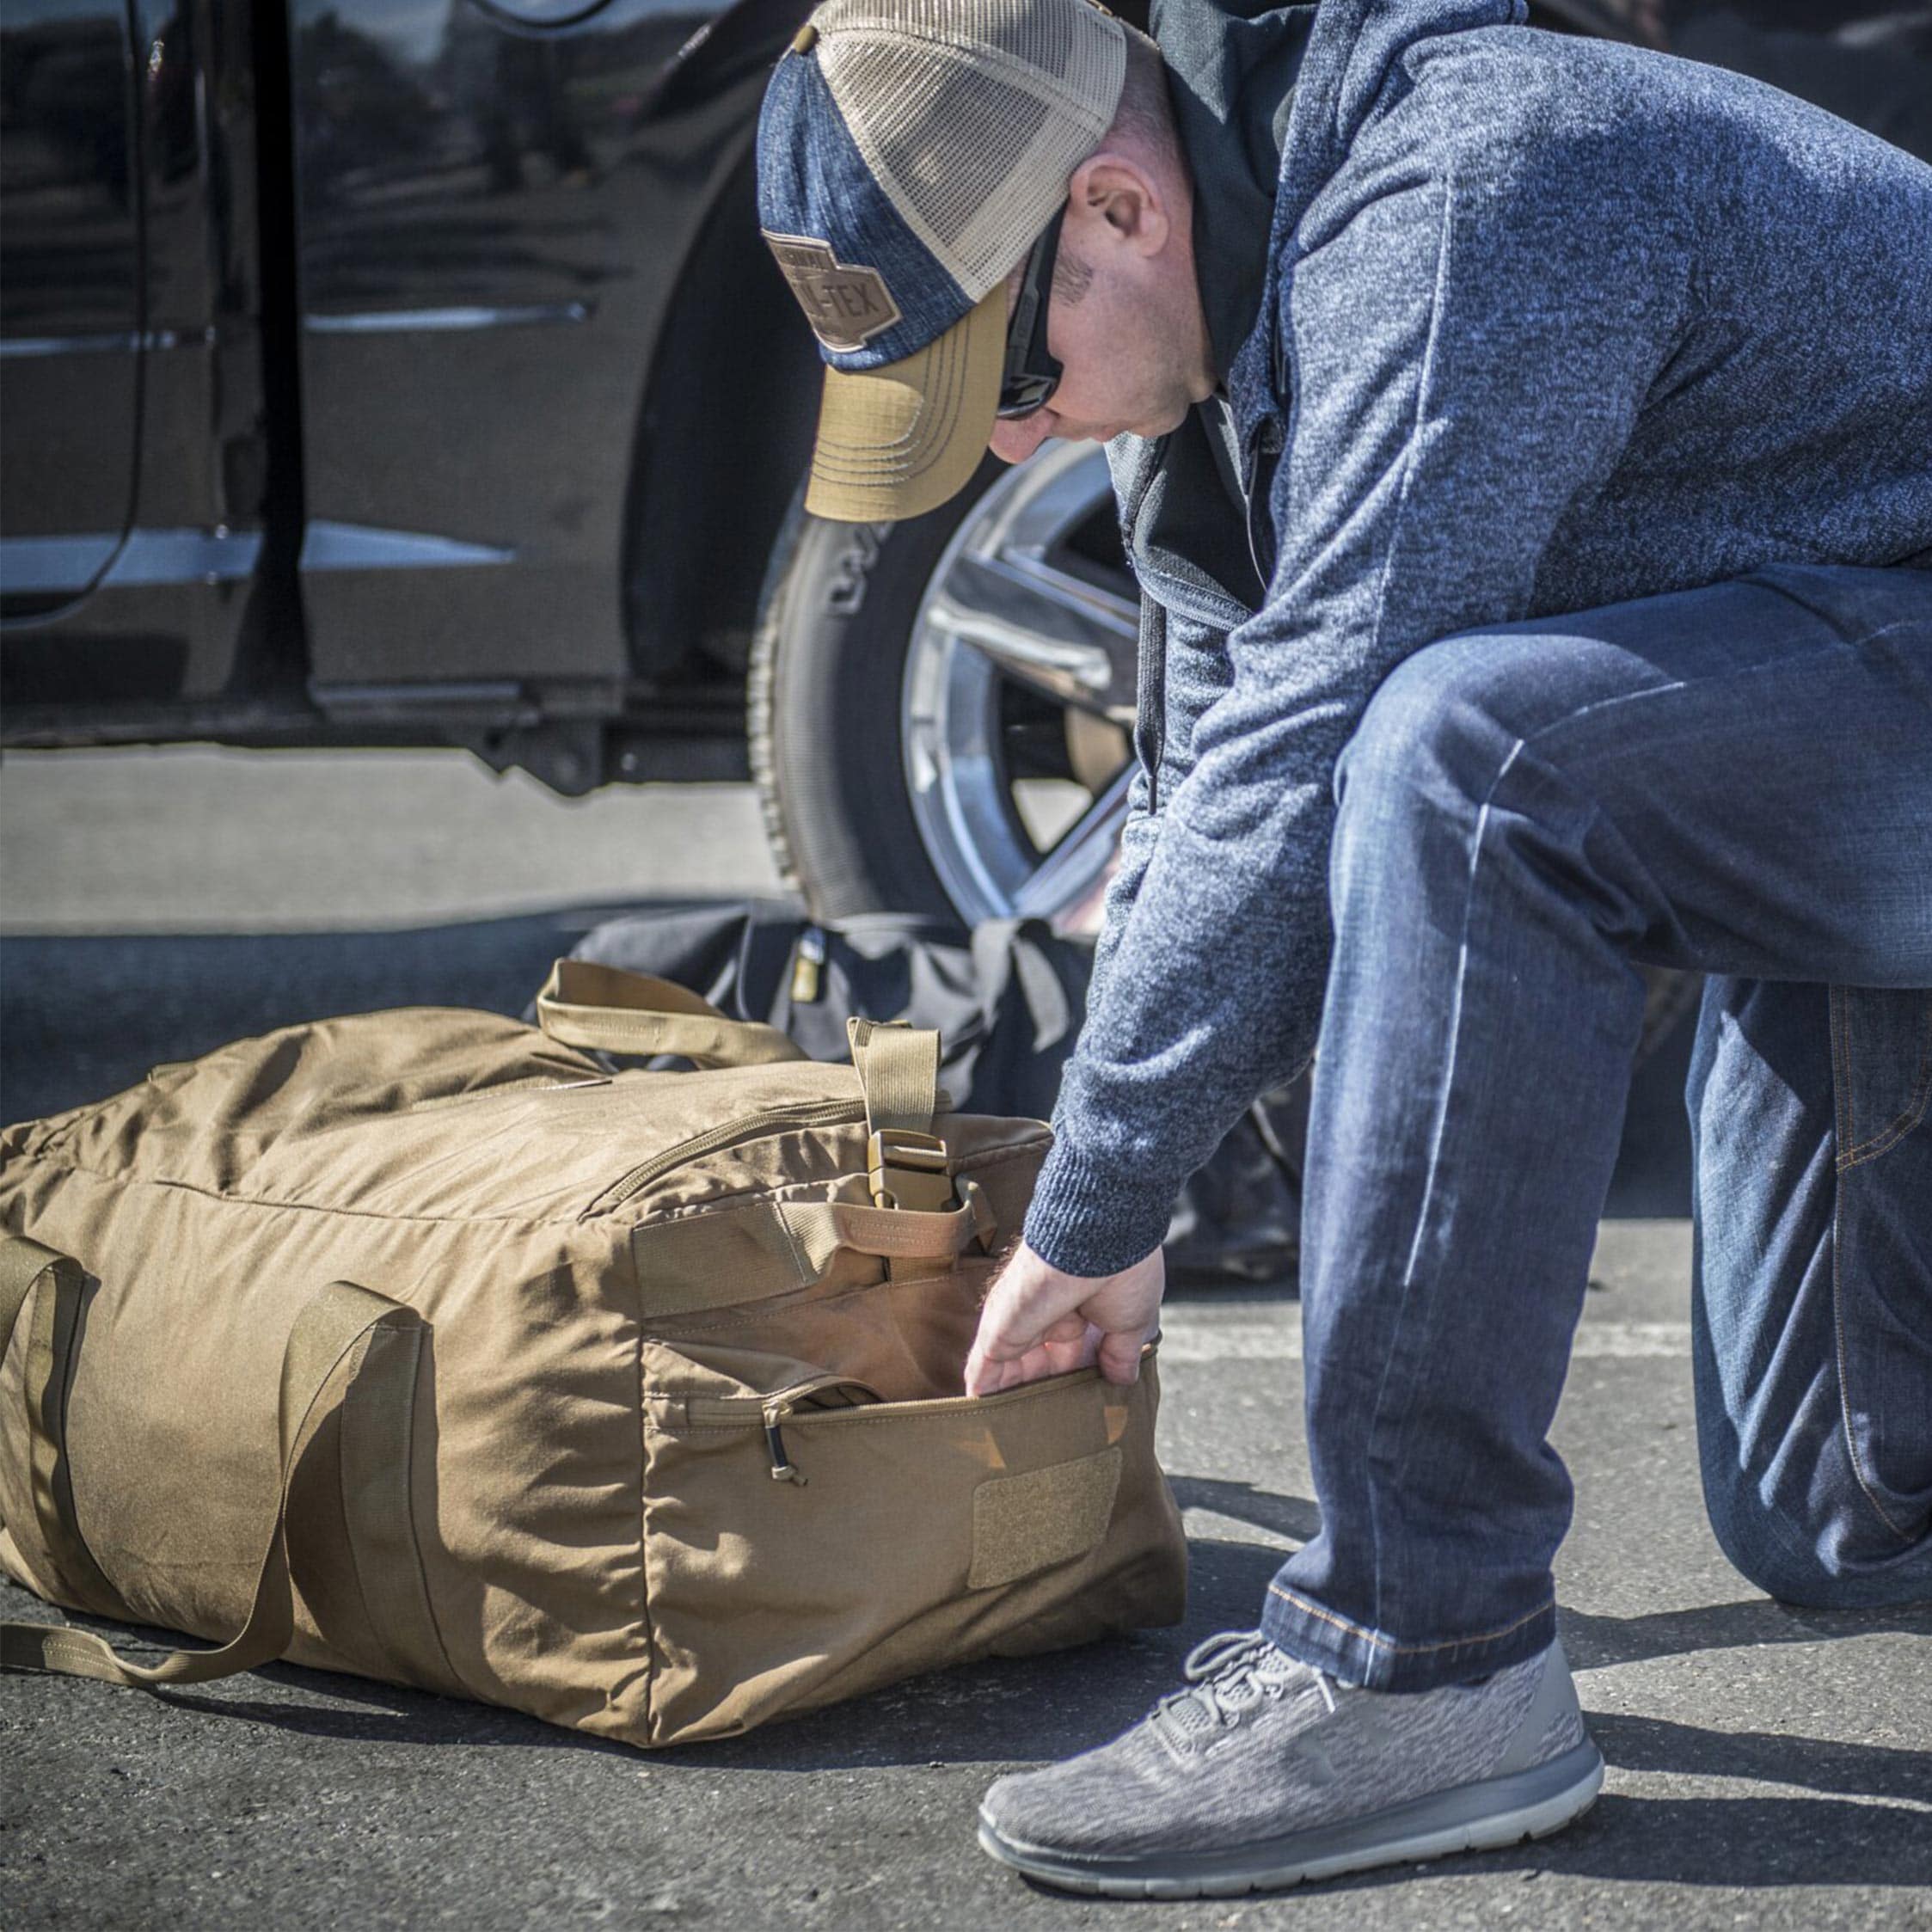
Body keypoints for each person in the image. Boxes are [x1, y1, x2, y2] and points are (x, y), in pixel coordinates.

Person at [756, 0, 1932, 1898]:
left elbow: (1321, 744)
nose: (1008, 438)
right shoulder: (1216, 331)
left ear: (1118, 209)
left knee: (1470, 764)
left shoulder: (1470, 194)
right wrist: (1107, 1201)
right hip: (1839, 707)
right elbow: (1204, 780)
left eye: (1006, 370)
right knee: (1840, 1516)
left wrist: (1102, 1191)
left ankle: (1419, 1652)